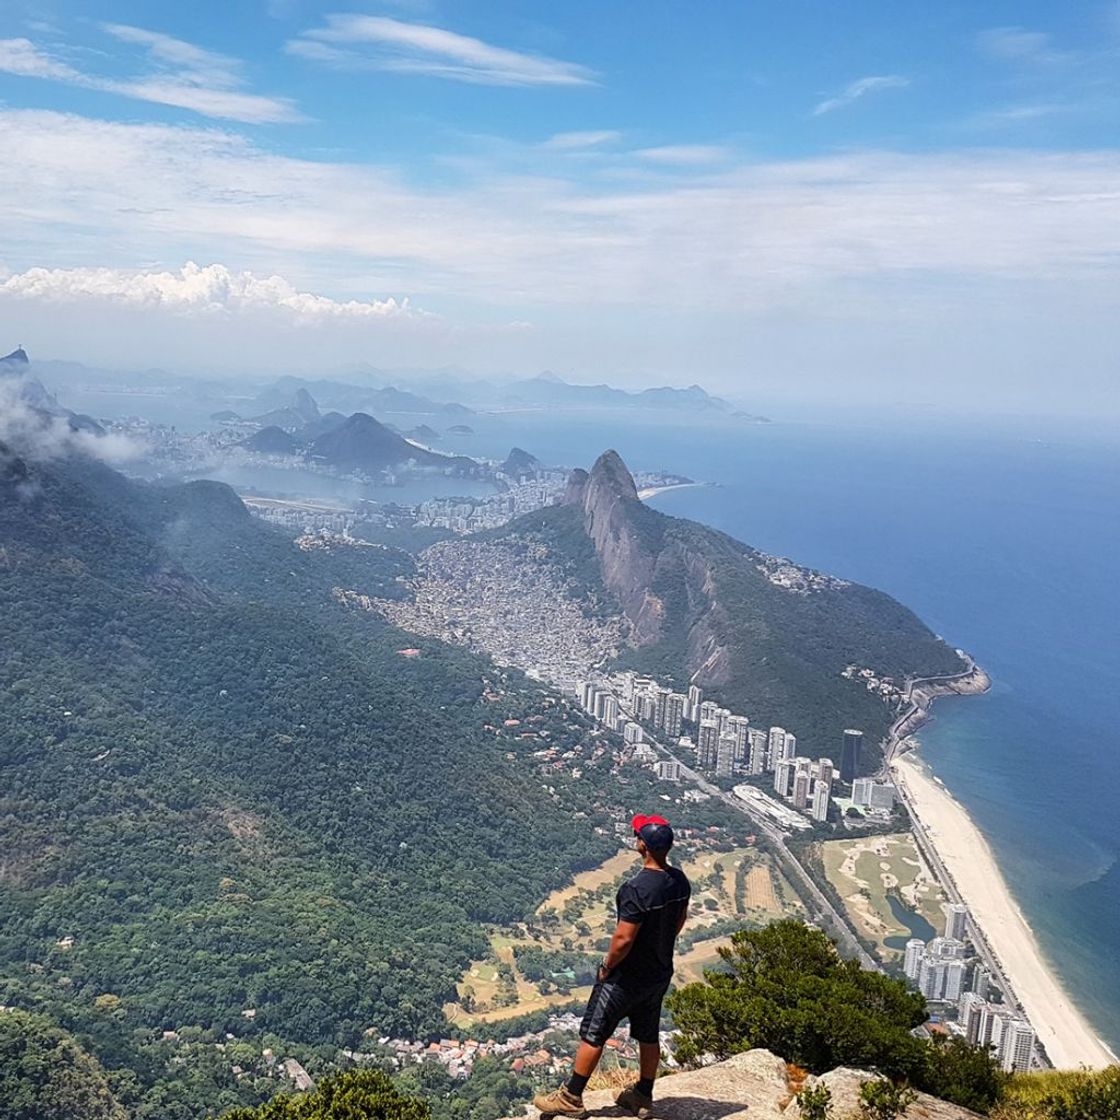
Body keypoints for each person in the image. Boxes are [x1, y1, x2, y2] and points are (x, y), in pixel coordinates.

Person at [533, 814, 691, 1119]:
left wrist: (607, 966)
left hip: (626, 976)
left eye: (638, 836)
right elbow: (678, 921)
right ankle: (643, 1095)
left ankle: (571, 1097)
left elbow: (623, 938)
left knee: (594, 1032)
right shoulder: (680, 881)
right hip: (658, 972)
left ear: (642, 846)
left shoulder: (636, 888)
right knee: (648, 1033)